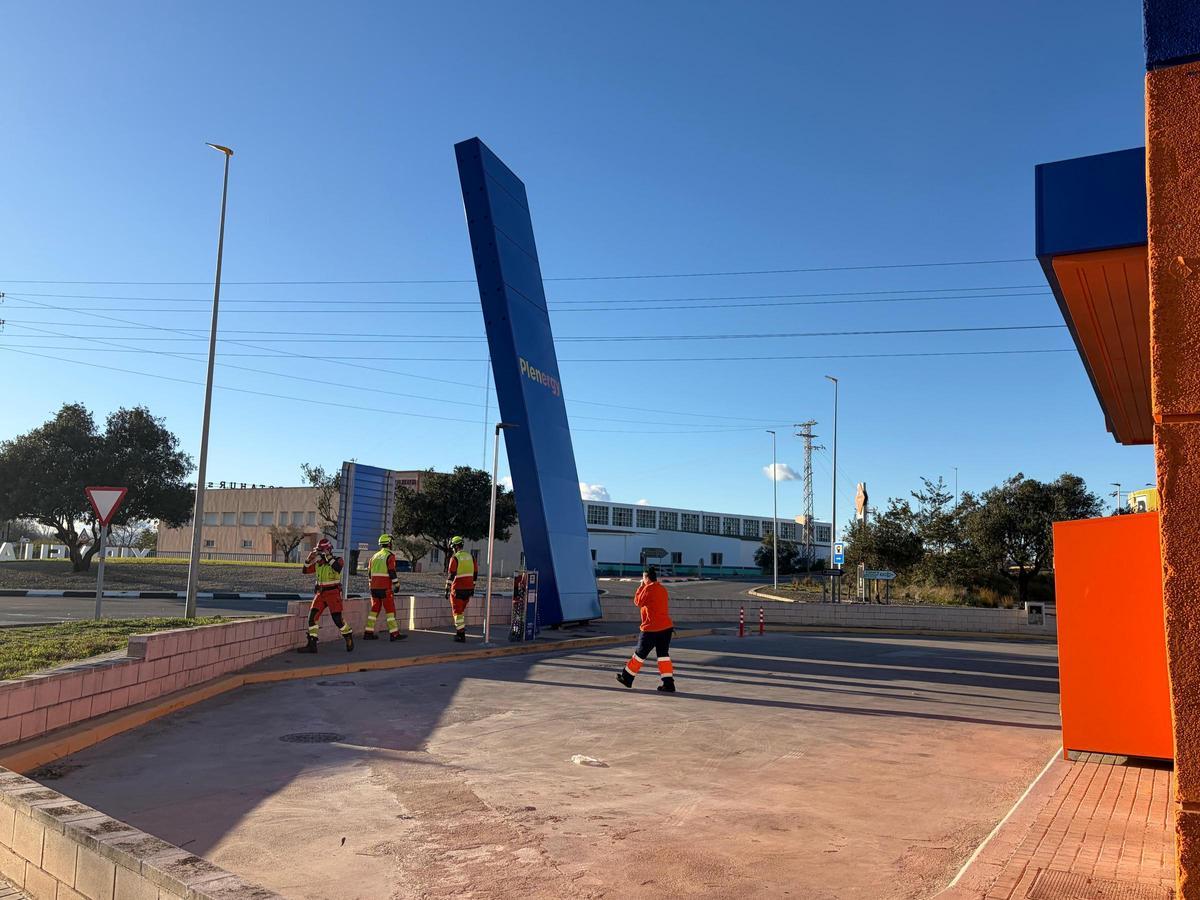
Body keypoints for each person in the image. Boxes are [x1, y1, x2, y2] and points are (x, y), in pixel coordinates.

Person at [616, 566, 675, 692]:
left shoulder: (648, 589)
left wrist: (641, 586)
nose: (642, 579)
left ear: (647, 578)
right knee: (663, 656)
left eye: (643, 577)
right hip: (666, 628)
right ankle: (669, 684)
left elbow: (638, 601)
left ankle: (627, 678)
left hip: (651, 628)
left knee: (639, 654)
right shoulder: (662, 589)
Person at [299, 537, 354, 653]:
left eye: (320, 551)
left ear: (327, 550)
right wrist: (309, 559)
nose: (319, 553)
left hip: (333, 594)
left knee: (337, 620)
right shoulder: (319, 563)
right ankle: (312, 644)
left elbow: (338, 568)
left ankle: (348, 635)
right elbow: (305, 570)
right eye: (318, 551)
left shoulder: (338, 560)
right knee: (312, 618)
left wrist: (328, 556)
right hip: (320, 593)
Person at [364, 534, 405, 641]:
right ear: (389, 543)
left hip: (373, 587)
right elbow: (391, 571)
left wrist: (370, 585)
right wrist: (396, 584)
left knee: (374, 610)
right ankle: (394, 634)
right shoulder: (389, 555)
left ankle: (368, 632)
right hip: (385, 588)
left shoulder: (374, 556)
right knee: (390, 611)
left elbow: (369, 573)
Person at [444, 536, 475, 643]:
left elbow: (451, 574)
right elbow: (475, 573)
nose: (452, 549)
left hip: (457, 589)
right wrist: (473, 586)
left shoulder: (455, 558)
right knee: (461, 611)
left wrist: (447, 588)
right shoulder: (471, 557)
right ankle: (460, 631)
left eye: (453, 547)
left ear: (456, 546)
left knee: (457, 612)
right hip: (469, 589)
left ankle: (460, 634)